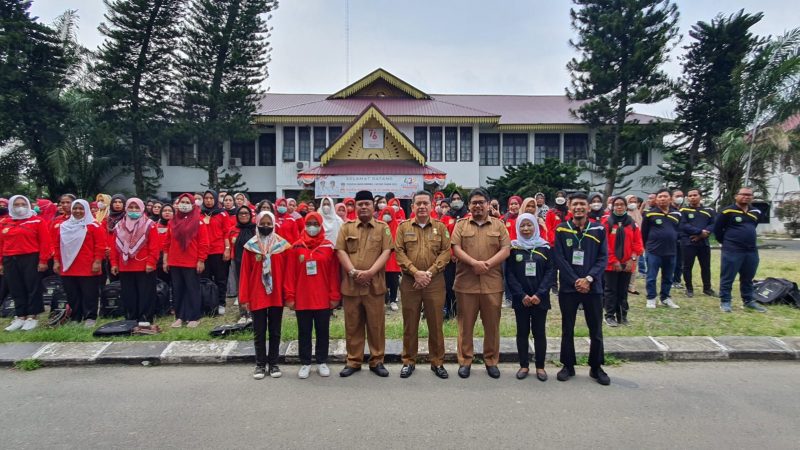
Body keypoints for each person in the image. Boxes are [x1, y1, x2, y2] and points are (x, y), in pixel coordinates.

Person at [451, 188, 511, 379]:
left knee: (492, 325)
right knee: (465, 325)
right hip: (466, 284)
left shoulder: (499, 225)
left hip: (492, 284)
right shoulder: (461, 225)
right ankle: (465, 360)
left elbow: (506, 249)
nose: (477, 205)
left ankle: (491, 361)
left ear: (487, 204)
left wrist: (487, 265)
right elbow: (456, 248)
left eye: (481, 202)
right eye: (474, 202)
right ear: (469, 206)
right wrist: (474, 263)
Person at [552, 192, 610, 386]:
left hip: (593, 287)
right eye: (575, 204)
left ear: (589, 207)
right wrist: (576, 280)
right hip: (569, 288)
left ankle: (596, 367)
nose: (579, 207)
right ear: (569, 207)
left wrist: (588, 279)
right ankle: (568, 365)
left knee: (596, 329)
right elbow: (559, 258)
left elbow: (603, 258)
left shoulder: (599, 229)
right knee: (567, 328)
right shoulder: (561, 230)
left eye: (582, 204)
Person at [394, 190, 452, 379]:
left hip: (434, 282)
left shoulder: (441, 227)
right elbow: (399, 252)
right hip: (411, 282)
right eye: (418, 203)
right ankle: (409, 361)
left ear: (431, 206)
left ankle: (437, 362)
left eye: (425, 203)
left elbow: (446, 252)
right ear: (412, 207)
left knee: (436, 323)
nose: (421, 206)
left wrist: (429, 273)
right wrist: (415, 272)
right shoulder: (403, 228)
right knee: (410, 323)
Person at [335, 190, 393, 378]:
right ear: (356, 207)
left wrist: (370, 273)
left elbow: (386, 252)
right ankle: (353, 361)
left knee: (376, 325)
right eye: (360, 204)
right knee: (353, 325)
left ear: (373, 206)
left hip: (374, 285)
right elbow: (340, 251)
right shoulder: (346, 227)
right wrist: (352, 271)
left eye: (367, 203)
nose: (363, 207)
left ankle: (377, 360)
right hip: (351, 285)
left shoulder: (382, 227)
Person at [285, 212, 340, 379]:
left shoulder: (328, 247)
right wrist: (290, 296)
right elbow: (290, 274)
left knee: (323, 331)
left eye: (316, 223)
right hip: (302, 298)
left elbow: (334, 274)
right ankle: (305, 362)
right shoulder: (296, 247)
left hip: (323, 298)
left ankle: (322, 361)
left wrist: (334, 295)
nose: (312, 227)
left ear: (321, 225)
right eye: (309, 223)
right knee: (304, 331)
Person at [240, 211, 291, 379]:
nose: (266, 226)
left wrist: (287, 294)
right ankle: (260, 365)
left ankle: (274, 364)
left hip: (276, 294)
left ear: (274, 224)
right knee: (259, 331)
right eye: (264, 223)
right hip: (257, 294)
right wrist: (244, 298)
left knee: (275, 331)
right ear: (257, 223)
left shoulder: (282, 246)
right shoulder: (250, 246)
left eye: (270, 224)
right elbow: (245, 274)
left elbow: (286, 273)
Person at [505, 213, 555, 381]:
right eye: (522, 226)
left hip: (540, 299)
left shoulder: (545, 247)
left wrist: (539, 294)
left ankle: (540, 366)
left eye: (529, 225)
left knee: (539, 332)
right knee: (522, 332)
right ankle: (524, 365)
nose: (526, 229)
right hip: (522, 300)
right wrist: (521, 295)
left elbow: (550, 273)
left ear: (535, 226)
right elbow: (509, 274)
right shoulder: (514, 248)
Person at [1, 196, 51, 331]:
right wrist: (1, 263)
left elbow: (45, 242)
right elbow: (1, 244)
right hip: (10, 258)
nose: (20, 207)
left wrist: (43, 260)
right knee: (15, 288)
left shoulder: (37, 221)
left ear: (28, 205)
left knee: (32, 287)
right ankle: (20, 316)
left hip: (31, 258)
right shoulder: (5, 222)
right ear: (11, 206)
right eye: (16, 205)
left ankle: (32, 316)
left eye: (23, 204)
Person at [713, 187, 766, 313]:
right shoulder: (727, 211)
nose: (746, 197)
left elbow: (753, 226)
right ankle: (725, 301)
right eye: (743, 194)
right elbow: (717, 230)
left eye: (749, 195)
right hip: (732, 250)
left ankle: (748, 301)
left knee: (748, 277)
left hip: (751, 250)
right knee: (728, 277)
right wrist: (726, 242)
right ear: (736, 196)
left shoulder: (756, 212)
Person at [53, 199, 104, 326]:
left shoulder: (94, 226)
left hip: (87, 265)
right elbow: (57, 245)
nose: (78, 211)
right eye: (75, 208)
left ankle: (90, 317)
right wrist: (56, 261)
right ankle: (76, 316)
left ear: (86, 210)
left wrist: (97, 262)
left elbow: (100, 245)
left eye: (81, 209)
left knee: (89, 293)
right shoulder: (64, 226)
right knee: (72, 293)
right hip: (68, 265)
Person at [110, 198, 160, 323]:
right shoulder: (119, 226)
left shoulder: (150, 225)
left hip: (144, 266)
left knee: (146, 294)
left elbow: (154, 247)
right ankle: (131, 318)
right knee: (128, 294)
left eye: (136, 208)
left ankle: (145, 318)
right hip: (125, 266)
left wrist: (151, 263)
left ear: (142, 208)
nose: (133, 210)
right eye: (131, 207)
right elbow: (114, 247)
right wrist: (114, 263)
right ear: (126, 208)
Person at [163, 194, 209, 328]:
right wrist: (166, 260)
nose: (184, 204)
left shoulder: (199, 222)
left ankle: (194, 316)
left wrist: (201, 260)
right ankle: (180, 316)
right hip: (175, 261)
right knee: (177, 289)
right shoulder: (172, 222)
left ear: (193, 204)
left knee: (192, 289)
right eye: (182, 202)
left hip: (192, 261)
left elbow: (204, 243)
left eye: (187, 202)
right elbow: (167, 242)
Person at [601, 197, 643, 326]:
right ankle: (609, 315)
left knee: (623, 291)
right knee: (611, 290)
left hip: (628, 263)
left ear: (626, 206)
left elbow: (638, 243)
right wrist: (613, 260)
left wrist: (633, 259)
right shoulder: (607, 222)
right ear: (612, 207)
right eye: (616, 205)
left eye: (622, 205)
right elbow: (604, 244)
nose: (619, 207)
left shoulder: (631, 223)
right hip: (611, 264)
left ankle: (622, 316)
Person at [641, 188, 681, 309]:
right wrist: (646, 247)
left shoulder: (677, 214)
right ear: (657, 200)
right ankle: (651, 298)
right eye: (660, 197)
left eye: (665, 196)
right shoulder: (650, 213)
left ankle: (665, 298)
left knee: (668, 277)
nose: (662, 199)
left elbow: (679, 231)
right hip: (654, 251)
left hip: (671, 251)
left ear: (670, 198)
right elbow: (644, 233)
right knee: (651, 276)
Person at [679, 189, 716, 298]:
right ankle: (689, 288)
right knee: (687, 266)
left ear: (700, 197)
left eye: (695, 195)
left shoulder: (709, 210)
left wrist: (703, 234)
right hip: (688, 242)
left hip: (704, 242)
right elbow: (683, 225)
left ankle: (707, 288)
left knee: (705, 266)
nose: (692, 197)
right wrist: (699, 232)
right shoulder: (683, 210)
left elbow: (714, 223)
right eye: (690, 196)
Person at [200, 190, 232, 315]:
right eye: (206, 198)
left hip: (218, 251)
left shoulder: (222, 214)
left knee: (220, 279)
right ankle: (208, 304)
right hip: (204, 253)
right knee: (205, 279)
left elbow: (227, 233)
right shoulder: (199, 214)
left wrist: (227, 249)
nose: (208, 200)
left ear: (215, 199)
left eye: (211, 198)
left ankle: (221, 303)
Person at [229, 206, 255, 323]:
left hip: (254, 261)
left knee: (253, 286)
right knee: (241, 287)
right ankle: (243, 313)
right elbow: (229, 244)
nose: (243, 215)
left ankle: (253, 312)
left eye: (246, 213)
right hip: (238, 261)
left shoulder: (255, 229)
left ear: (250, 215)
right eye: (241, 214)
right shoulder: (233, 229)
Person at [381, 199, 401, 311]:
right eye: (385, 213)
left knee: (393, 281)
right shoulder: (378, 225)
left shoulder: (398, 226)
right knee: (381, 281)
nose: (387, 216)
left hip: (393, 259)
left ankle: (393, 300)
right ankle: (384, 299)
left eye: (389, 214)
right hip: (381, 259)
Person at [671, 189, 686, 289]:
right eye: (677, 196)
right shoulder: (669, 210)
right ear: (672, 197)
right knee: (672, 261)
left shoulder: (683, 210)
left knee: (680, 262)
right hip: (671, 240)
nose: (680, 198)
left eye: (681, 196)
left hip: (682, 240)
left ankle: (677, 280)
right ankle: (670, 280)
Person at [154, 204, 173, 285]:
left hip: (173, 257)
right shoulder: (154, 225)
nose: (167, 212)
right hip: (158, 257)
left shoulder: (177, 226)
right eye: (165, 211)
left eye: (170, 211)